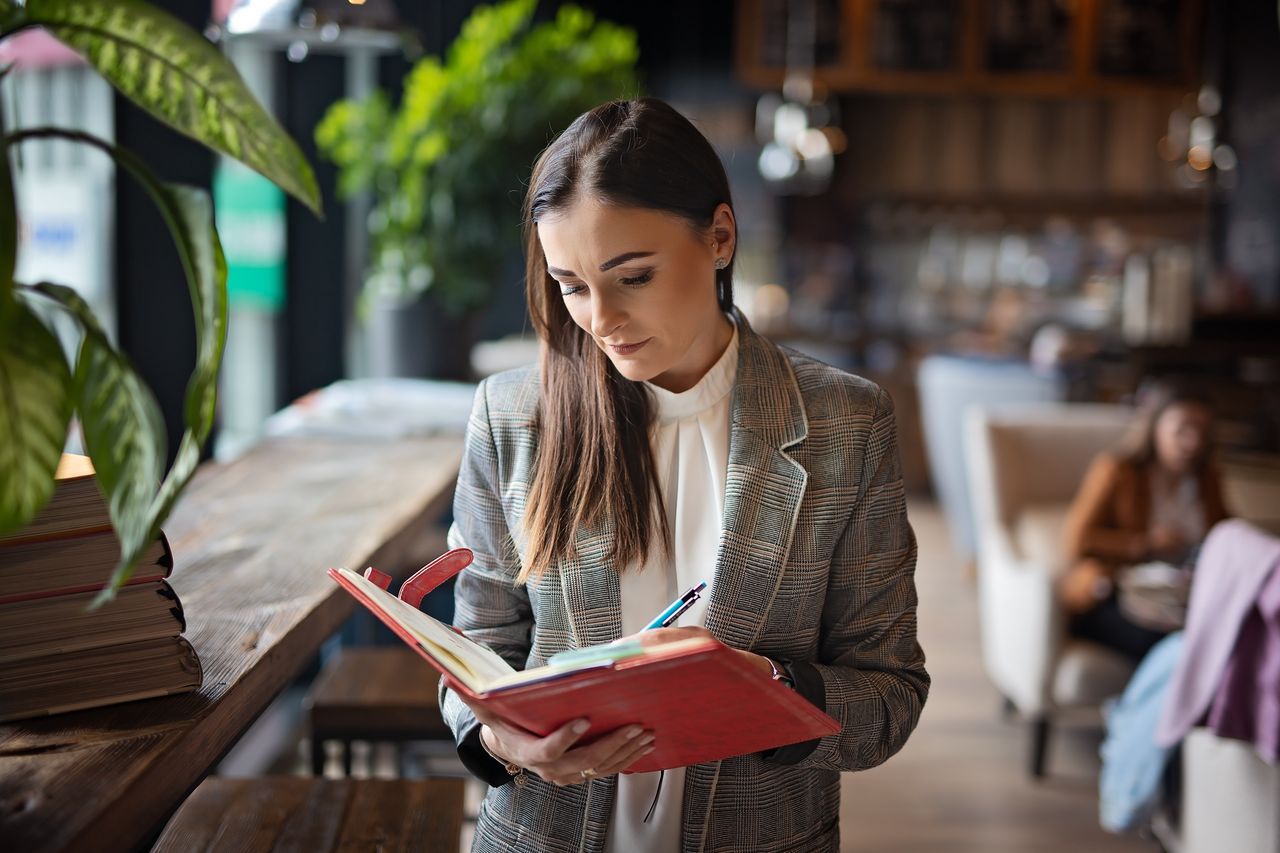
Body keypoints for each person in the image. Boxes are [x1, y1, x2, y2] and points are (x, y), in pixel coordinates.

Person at [437, 97, 929, 853]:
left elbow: (889, 700)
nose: (599, 319)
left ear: (721, 237)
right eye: (571, 284)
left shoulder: (844, 423)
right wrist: (505, 740)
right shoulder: (513, 417)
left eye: (632, 276)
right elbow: (477, 654)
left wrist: (760, 687)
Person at [1061, 380, 1231, 662]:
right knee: (1177, 646)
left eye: (1202, 432)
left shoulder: (1206, 478)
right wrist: (1146, 544)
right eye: (1182, 430)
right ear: (1155, 427)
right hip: (1115, 596)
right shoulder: (1117, 471)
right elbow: (1076, 540)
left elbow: (1226, 533)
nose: (1193, 442)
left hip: (1183, 598)